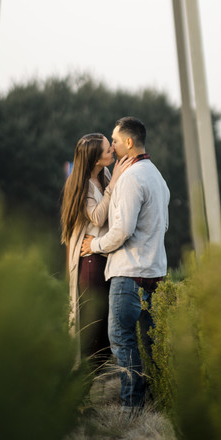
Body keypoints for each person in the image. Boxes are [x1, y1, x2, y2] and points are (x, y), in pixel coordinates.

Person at [81, 116, 170, 409]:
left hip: (128, 273)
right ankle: (153, 401)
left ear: (129, 143)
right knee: (147, 343)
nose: (113, 147)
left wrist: (94, 244)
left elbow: (121, 230)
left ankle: (131, 407)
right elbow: (163, 225)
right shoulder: (156, 176)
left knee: (121, 341)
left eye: (115, 141)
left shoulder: (131, 178)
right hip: (154, 271)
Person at [60, 133, 131, 367]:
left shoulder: (105, 174)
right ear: (94, 158)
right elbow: (98, 217)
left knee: (103, 333)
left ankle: (88, 393)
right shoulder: (81, 184)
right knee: (92, 332)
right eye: (106, 149)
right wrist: (113, 184)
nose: (112, 149)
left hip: (103, 257)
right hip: (90, 264)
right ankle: (80, 395)